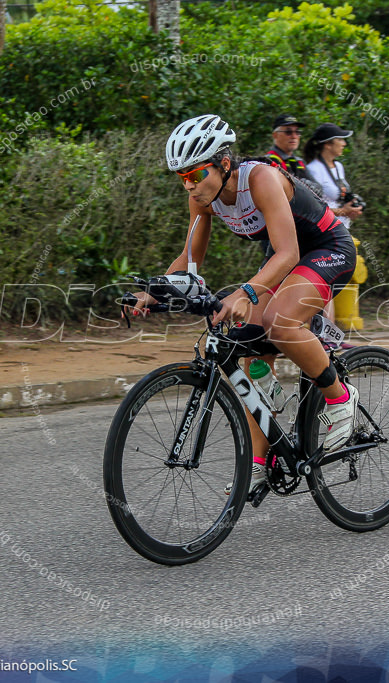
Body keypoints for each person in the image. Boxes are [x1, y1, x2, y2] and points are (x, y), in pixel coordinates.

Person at [132, 114, 358, 492]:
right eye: (181, 178)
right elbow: (190, 261)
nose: (189, 186)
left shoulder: (262, 178)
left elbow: (288, 253)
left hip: (325, 249)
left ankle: (339, 397)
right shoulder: (202, 198)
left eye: (195, 175)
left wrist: (246, 292)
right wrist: (154, 291)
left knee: (280, 321)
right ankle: (261, 462)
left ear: (222, 163)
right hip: (285, 258)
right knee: (245, 346)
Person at [304, 123, 364, 229]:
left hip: (342, 228)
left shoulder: (338, 166)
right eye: (340, 139)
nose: (344, 143)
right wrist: (342, 211)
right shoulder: (313, 170)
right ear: (327, 144)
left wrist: (351, 209)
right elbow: (312, 208)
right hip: (324, 232)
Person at [264, 114, 310, 179]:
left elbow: (317, 187)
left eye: (297, 132)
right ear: (275, 135)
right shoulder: (269, 161)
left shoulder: (299, 162)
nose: (294, 136)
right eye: (288, 132)